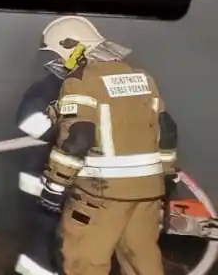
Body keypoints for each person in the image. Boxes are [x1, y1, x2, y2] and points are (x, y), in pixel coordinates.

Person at [36, 15, 179, 275]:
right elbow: (167, 131)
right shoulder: (142, 78)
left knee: (84, 262)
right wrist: (168, 177)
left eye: (57, 54)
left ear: (73, 46)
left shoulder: (80, 82)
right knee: (142, 260)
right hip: (146, 193)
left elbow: (78, 138)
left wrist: (55, 186)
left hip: (100, 195)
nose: (56, 63)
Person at [12, 54, 66, 275]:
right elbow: (28, 120)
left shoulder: (82, 89)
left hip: (61, 181)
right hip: (42, 181)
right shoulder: (47, 88)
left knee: (52, 240)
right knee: (47, 238)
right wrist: (65, 132)